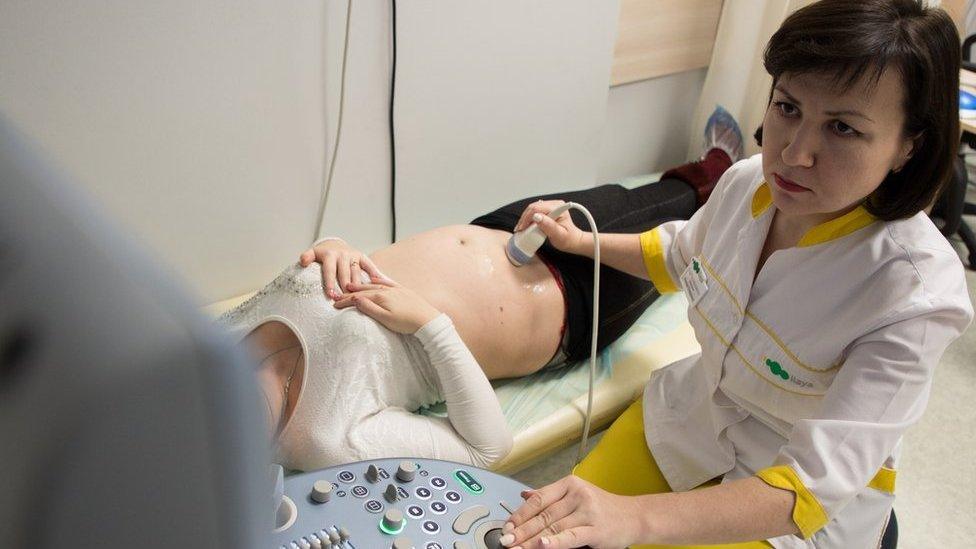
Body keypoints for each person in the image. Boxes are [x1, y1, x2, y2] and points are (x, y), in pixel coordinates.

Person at [499, 1, 974, 548]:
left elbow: (807, 488)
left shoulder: (915, 295)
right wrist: (584, 243)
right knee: (550, 535)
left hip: (786, 502)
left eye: (842, 128)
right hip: (689, 420)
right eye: (788, 107)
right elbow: (679, 256)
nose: (795, 154)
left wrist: (634, 519)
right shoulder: (749, 183)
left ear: (907, 147)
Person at [217, 110, 744, 472]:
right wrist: (427, 323)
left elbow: (302, 279)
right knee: (694, 239)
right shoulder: (324, 438)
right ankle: (734, 186)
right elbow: (487, 448)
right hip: (569, 302)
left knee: (633, 196)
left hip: (504, 229)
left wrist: (330, 245)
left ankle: (715, 170)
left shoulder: (220, 337)